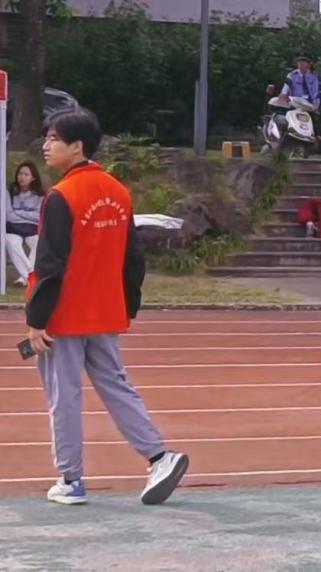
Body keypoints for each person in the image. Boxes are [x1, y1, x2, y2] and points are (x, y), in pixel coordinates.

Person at [25, 109, 190, 506]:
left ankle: (71, 479)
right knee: (117, 386)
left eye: (53, 139)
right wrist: (127, 305)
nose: (46, 146)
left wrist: (36, 319)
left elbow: (50, 264)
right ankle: (159, 456)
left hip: (65, 315)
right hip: (104, 312)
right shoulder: (118, 191)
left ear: (77, 146)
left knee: (64, 396)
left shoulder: (61, 196)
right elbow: (134, 258)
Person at [5, 161, 44, 286]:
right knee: (10, 241)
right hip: (14, 228)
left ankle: (24, 279)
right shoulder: (10, 192)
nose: (22, 177)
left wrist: (18, 212)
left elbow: (38, 216)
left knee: (38, 242)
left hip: (32, 229)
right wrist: (28, 214)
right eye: (20, 174)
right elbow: (8, 215)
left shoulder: (40, 195)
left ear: (33, 178)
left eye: (26, 174)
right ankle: (30, 275)